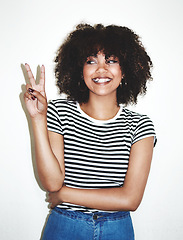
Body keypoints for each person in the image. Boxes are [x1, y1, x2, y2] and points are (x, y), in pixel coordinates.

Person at [24, 23, 157, 240]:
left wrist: (66, 194)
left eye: (111, 60)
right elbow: (52, 183)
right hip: (65, 226)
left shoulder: (140, 125)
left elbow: (130, 200)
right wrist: (38, 119)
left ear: (126, 70)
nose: (101, 69)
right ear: (80, 70)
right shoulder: (59, 112)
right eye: (91, 61)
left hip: (117, 229)